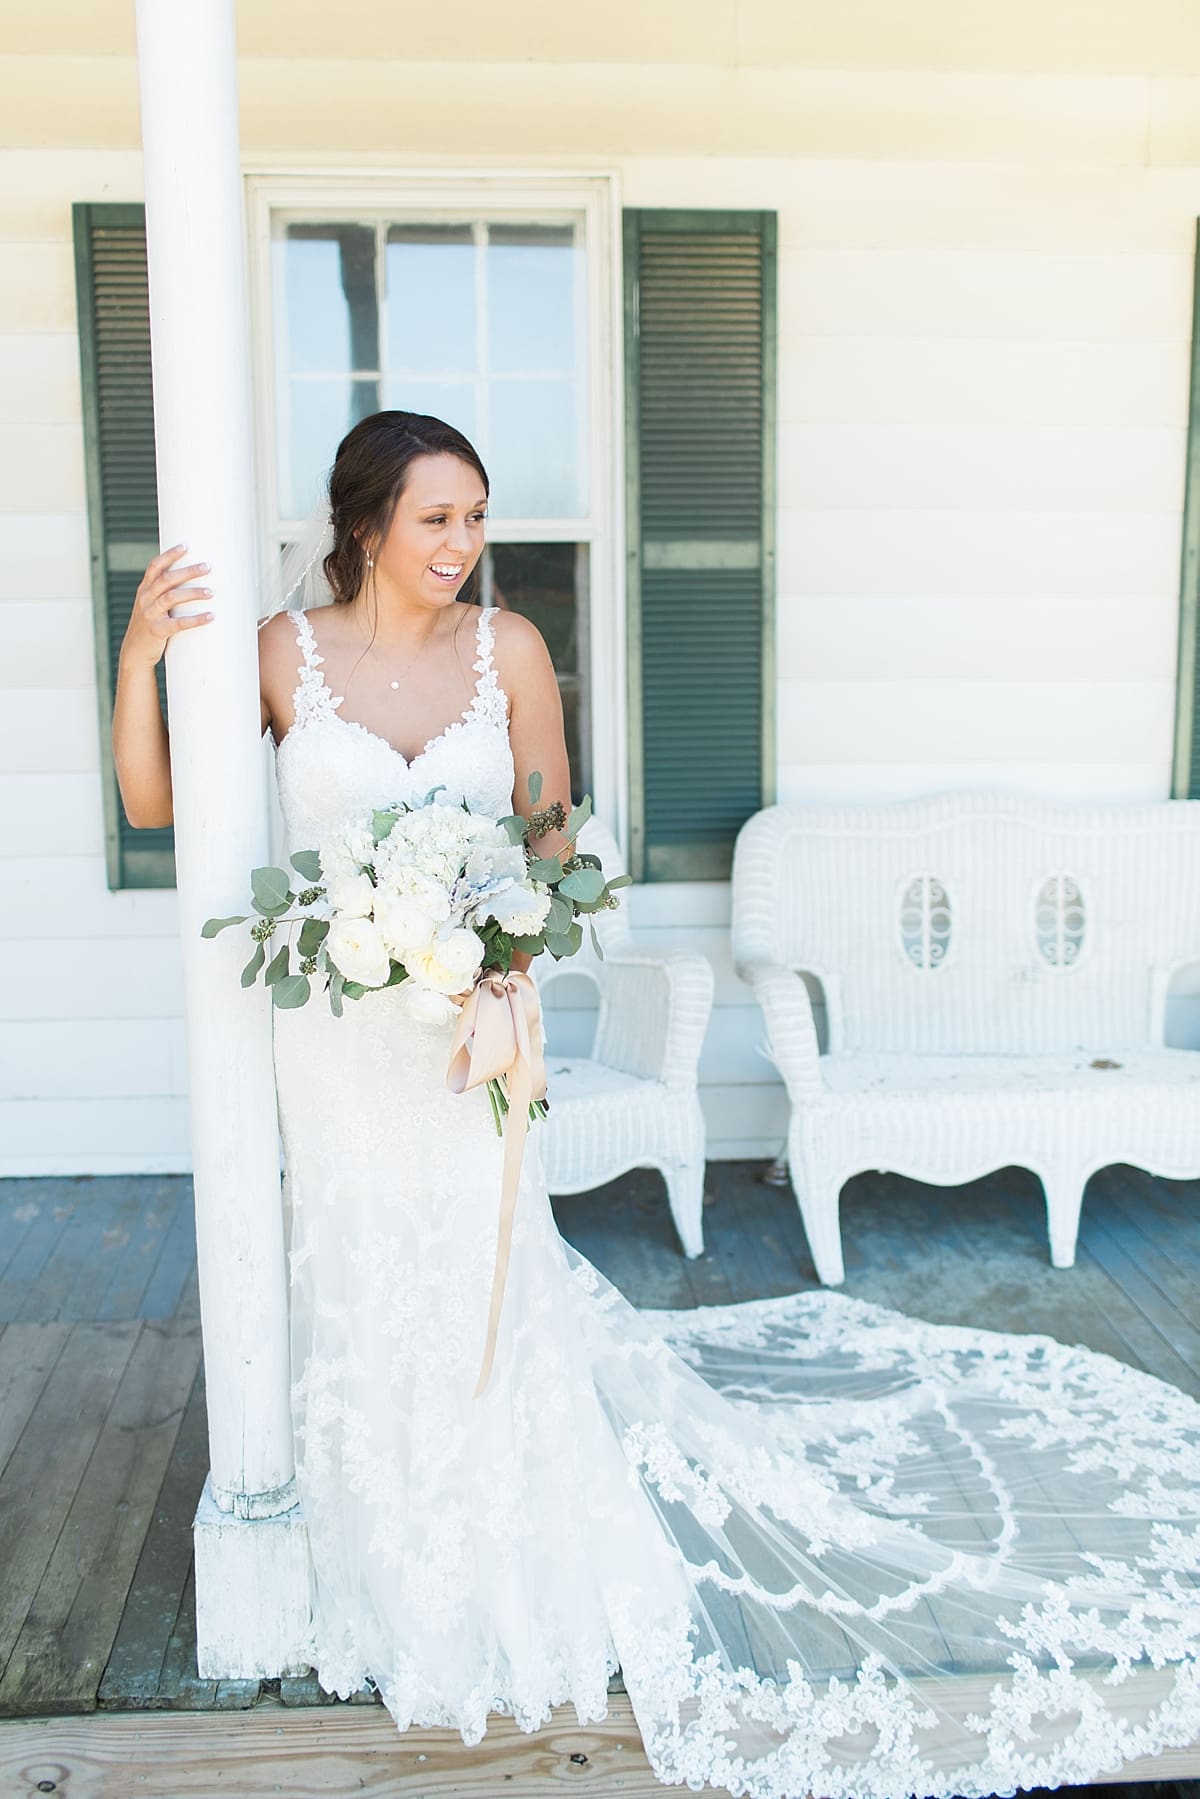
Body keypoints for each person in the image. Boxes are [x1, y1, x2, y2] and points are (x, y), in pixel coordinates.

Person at [113, 411, 1200, 1799]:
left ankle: (493, 1540)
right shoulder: (279, 655)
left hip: (469, 1030)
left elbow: (552, 838)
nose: (464, 546)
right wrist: (144, 657)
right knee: (361, 1267)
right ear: (366, 522)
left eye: (478, 519)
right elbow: (159, 805)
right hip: (335, 1045)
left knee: (481, 1275)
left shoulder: (509, 655)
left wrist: (505, 946)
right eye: (437, 519)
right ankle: (376, 1542)